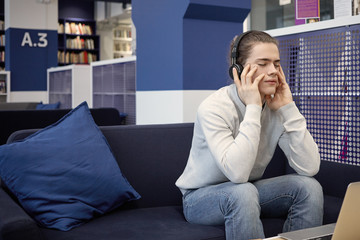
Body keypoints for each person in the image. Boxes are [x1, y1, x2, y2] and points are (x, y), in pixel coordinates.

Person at [175, 30, 323, 240]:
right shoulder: (214, 107)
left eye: (276, 63)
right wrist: (253, 106)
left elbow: (309, 167)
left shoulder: (275, 106)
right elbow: (238, 174)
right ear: (238, 70)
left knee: (309, 187)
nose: (273, 71)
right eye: (263, 63)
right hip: (200, 198)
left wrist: (288, 108)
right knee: (243, 191)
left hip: (247, 191)